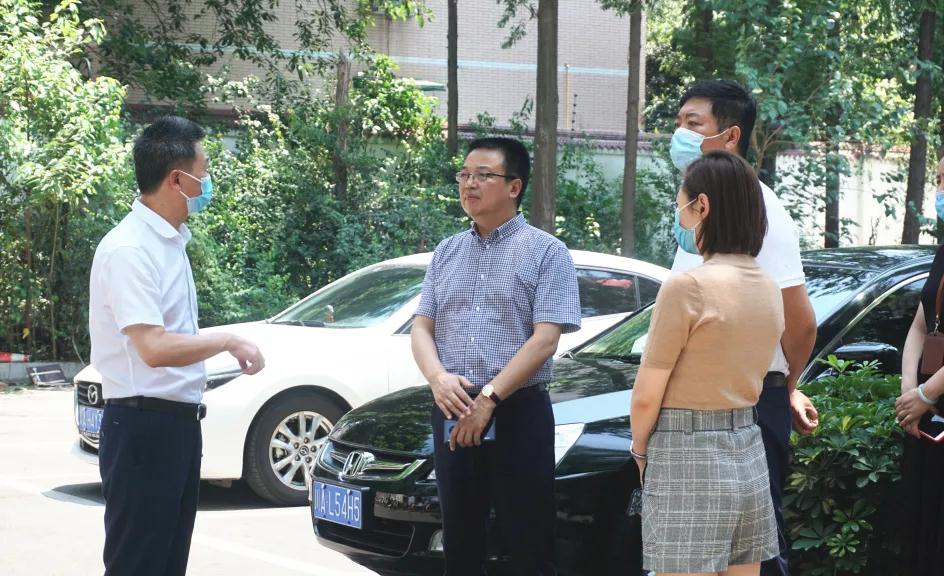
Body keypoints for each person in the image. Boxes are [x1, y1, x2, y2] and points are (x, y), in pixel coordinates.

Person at [89, 116, 266, 576]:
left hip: (176, 425)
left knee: (167, 563)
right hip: (143, 426)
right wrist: (227, 340)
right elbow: (153, 347)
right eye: (203, 173)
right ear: (176, 179)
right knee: (139, 563)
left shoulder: (169, 243)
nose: (207, 183)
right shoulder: (130, 250)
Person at [667, 80, 819, 576]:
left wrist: (781, 385)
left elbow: (799, 323)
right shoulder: (698, 208)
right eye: (678, 122)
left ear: (730, 136)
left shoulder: (760, 210)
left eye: (693, 124)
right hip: (701, 409)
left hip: (747, 406)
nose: (679, 133)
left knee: (751, 550)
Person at [411, 137, 581, 575]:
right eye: (464, 174)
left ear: (514, 186)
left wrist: (488, 399)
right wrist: (437, 378)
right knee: (459, 544)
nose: (469, 184)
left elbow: (545, 340)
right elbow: (422, 327)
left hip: (517, 413)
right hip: (452, 409)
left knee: (527, 544)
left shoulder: (547, 252)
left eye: (484, 175)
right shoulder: (447, 251)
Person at [631, 150, 782, 575]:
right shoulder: (768, 286)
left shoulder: (688, 286)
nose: (679, 217)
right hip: (748, 446)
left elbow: (647, 395)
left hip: (686, 450)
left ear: (703, 206)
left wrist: (639, 452)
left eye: (681, 205)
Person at [894, 155, 944, 574]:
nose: (940, 189)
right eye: (939, 178)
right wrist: (910, 390)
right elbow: (920, 324)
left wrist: (927, 394)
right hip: (930, 415)